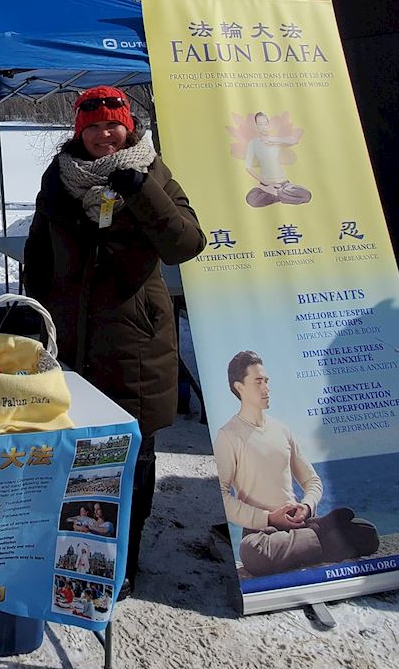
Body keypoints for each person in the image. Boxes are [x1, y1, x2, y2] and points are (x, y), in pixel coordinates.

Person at [24, 86, 205, 592]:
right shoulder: (59, 178)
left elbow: (186, 244)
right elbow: (39, 253)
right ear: (78, 131)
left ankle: (124, 557)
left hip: (135, 342)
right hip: (70, 341)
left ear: (128, 127)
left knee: (132, 453)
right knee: (76, 449)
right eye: (93, 127)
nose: (104, 136)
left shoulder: (154, 173)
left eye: (112, 126)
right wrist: (34, 314)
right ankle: (78, 546)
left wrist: (142, 190)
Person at [214, 350, 379, 577]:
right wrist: (269, 517)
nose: (266, 388)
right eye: (258, 381)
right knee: (251, 552)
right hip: (263, 531)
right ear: (239, 387)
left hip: (300, 521)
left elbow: (312, 480)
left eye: (267, 381)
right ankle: (320, 535)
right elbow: (222, 496)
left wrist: (307, 506)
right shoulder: (228, 435)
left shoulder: (281, 429)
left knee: (368, 533)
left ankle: (312, 536)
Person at [243, 111, 311, 208]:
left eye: (265, 124)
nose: (263, 127)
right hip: (266, 185)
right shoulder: (253, 143)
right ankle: (280, 195)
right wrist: (265, 183)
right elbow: (248, 167)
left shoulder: (275, 140)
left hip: (283, 185)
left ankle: (277, 194)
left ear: (269, 124)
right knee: (251, 199)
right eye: (260, 124)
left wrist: (273, 140)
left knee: (306, 195)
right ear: (256, 126)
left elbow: (294, 140)